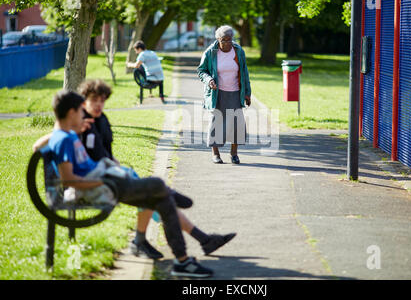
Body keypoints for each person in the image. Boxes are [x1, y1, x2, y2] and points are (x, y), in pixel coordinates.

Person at [33, 80, 236, 260]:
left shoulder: (97, 121)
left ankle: (188, 239)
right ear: (82, 102)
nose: (98, 105)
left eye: (102, 100)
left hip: (111, 174)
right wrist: (66, 131)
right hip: (101, 181)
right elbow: (47, 145)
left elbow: (104, 153)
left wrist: (116, 166)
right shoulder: (75, 125)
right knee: (160, 196)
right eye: (94, 100)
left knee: (159, 197)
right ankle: (193, 238)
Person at [197, 25, 252, 164]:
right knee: (217, 123)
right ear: (218, 39)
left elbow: (244, 72)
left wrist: (247, 93)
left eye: (229, 39)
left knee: (237, 124)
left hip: (235, 92)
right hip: (217, 93)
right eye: (224, 40)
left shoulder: (238, 51)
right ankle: (215, 154)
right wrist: (209, 80)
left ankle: (234, 153)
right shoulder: (210, 52)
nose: (227, 43)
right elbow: (201, 71)